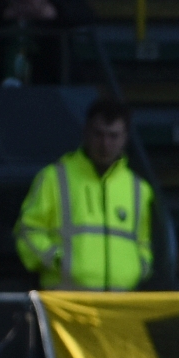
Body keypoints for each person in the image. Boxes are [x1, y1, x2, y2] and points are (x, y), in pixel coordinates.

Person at [15, 97, 153, 290]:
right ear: (86, 132)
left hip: (120, 304)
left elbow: (144, 241)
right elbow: (27, 231)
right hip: (67, 302)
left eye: (113, 136)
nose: (105, 144)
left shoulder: (139, 188)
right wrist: (57, 260)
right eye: (99, 134)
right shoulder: (53, 178)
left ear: (125, 138)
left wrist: (140, 267)